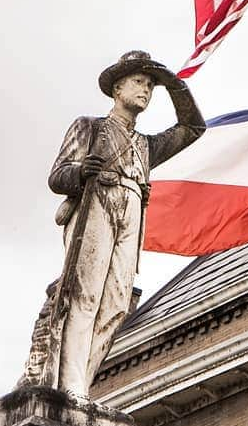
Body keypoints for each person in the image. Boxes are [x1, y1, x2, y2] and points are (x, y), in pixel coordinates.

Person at [26, 51, 205, 398]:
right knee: (85, 293)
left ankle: (83, 380)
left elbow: (193, 128)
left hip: (132, 213)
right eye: (139, 82)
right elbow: (58, 176)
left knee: (117, 302)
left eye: (151, 86)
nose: (146, 91)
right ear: (118, 87)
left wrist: (175, 86)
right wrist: (81, 172)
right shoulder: (90, 127)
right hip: (97, 206)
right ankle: (70, 384)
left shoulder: (146, 146)